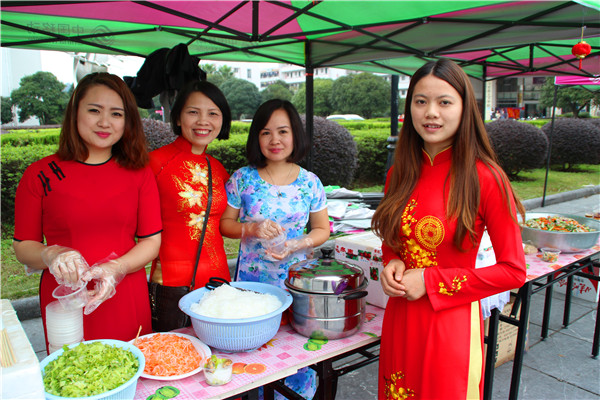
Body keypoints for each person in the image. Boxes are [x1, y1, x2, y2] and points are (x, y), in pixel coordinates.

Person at [370, 58, 527, 400]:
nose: (431, 113)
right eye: (421, 101)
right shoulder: (400, 173)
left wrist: (428, 281)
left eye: (444, 102)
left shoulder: (485, 178)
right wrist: (391, 260)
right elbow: (395, 239)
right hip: (400, 319)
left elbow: (513, 272)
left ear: (464, 107)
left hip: (449, 325)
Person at [13, 72, 162, 351]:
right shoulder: (40, 174)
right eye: (94, 110)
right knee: (74, 380)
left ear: (127, 121)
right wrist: (52, 253)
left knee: (132, 374)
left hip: (125, 293)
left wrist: (115, 269)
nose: (105, 122)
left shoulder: (139, 173)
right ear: (75, 112)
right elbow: (23, 246)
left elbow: (151, 241)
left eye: (116, 114)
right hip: (65, 300)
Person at [220, 99, 330, 399]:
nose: (275, 140)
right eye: (266, 132)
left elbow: (322, 229)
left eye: (283, 131)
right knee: (253, 354)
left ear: (295, 135)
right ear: (256, 137)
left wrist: (299, 243)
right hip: (253, 288)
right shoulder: (243, 178)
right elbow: (225, 225)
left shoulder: (310, 182)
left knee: (295, 355)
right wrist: (251, 228)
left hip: (296, 282)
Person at [148, 80, 232, 330]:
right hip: (173, 285)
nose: (203, 121)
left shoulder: (218, 169)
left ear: (222, 121)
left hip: (218, 283)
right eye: (193, 112)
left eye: (213, 113)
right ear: (177, 118)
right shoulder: (155, 163)